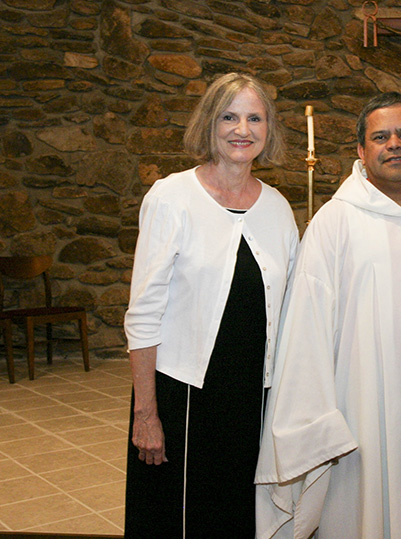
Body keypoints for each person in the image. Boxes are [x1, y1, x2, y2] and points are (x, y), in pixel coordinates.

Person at [255, 92, 401, 539]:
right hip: (358, 412)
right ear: (361, 151)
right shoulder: (335, 223)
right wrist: (313, 421)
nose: (395, 145)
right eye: (381, 137)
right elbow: (305, 331)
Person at [123, 72, 298, 538]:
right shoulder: (171, 197)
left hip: (253, 397)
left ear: (268, 128)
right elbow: (142, 315)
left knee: (240, 516)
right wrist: (147, 413)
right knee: (180, 520)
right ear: (209, 123)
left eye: (254, 118)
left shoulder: (278, 208)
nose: (242, 129)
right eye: (229, 116)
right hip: (184, 397)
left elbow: (293, 310)